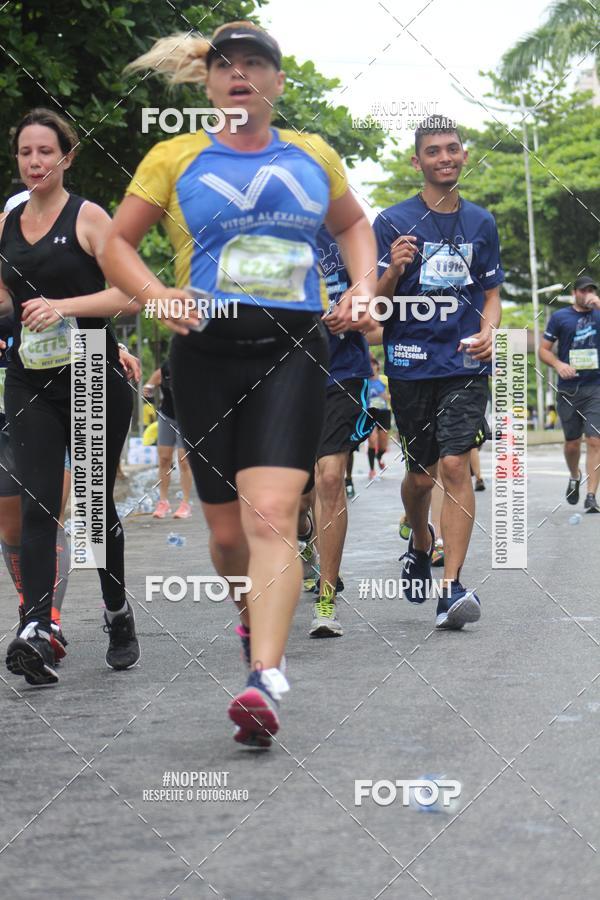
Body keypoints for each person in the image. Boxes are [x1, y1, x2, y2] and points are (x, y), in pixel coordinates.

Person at [100, 22, 376, 746]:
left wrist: (364, 283)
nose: (241, 74)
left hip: (292, 347)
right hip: (204, 354)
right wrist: (156, 291)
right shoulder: (174, 157)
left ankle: (264, 677)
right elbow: (117, 243)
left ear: (278, 83)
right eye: (227, 65)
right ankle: (254, 611)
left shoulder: (313, 155)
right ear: (211, 82)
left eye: (257, 64)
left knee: (271, 516)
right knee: (225, 535)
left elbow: (353, 226)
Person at [1, 108, 141, 685]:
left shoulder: (88, 218)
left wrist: (65, 307)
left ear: (67, 156)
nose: (35, 162)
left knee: (89, 509)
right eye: (26, 152)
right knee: (38, 502)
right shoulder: (6, 220)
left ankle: (117, 611)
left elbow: (132, 295)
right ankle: (38, 630)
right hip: (29, 375)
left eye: (46, 152)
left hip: (89, 372)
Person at [374, 114, 503, 630]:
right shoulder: (389, 222)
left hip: (464, 363)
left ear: (464, 155)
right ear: (418, 161)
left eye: (453, 148)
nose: (445, 157)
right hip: (409, 366)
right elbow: (374, 307)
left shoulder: (482, 223)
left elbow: (490, 295)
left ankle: (451, 589)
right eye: (434, 151)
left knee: (455, 467)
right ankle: (419, 538)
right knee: (421, 475)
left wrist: (491, 330)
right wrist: (392, 270)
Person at [305, 225, 374, 638]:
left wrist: (357, 307)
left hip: (340, 372)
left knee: (330, 477)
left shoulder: (347, 233)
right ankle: (305, 540)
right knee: (294, 497)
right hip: (284, 375)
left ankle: (326, 599)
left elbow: (376, 300)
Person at [540, 274, 600, 513]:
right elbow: (543, 350)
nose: (588, 295)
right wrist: (558, 365)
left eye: (591, 291)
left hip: (596, 386)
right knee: (572, 443)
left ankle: (591, 495)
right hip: (569, 389)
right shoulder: (560, 317)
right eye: (584, 291)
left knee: (595, 440)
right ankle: (575, 475)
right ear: (575, 293)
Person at [143, 358, 193, 519]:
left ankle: (185, 504)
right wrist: (148, 390)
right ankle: (163, 502)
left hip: (187, 417)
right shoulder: (165, 369)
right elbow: (149, 386)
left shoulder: (197, 367)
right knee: (164, 459)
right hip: (167, 415)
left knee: (183, 460)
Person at [366, 357, 390, 480]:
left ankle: (379, 457)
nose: (371, 367)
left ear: (377, 366)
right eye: (368, 365)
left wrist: (386, 397)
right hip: (370, 412)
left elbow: (393, 394)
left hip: (384, 413)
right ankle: (371, 469)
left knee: (383, 443)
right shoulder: (364, 381)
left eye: (373, 364)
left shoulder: (384, 379)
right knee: (372, 439)